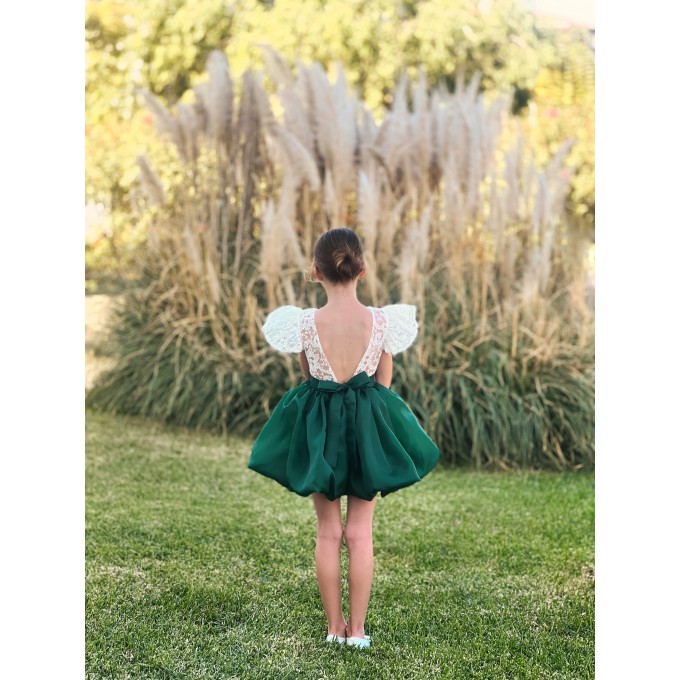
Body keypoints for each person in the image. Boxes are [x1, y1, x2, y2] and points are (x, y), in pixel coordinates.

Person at [248, 227, 440, 649]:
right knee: (360, 534)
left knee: (327, 532)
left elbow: (309, 376)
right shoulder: (382, 321)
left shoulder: (303, 323)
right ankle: (358, 630)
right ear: (362, 271)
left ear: (314, 272)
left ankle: (333, 628)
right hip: (367, 428)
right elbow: (383, 383)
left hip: (321, 431)